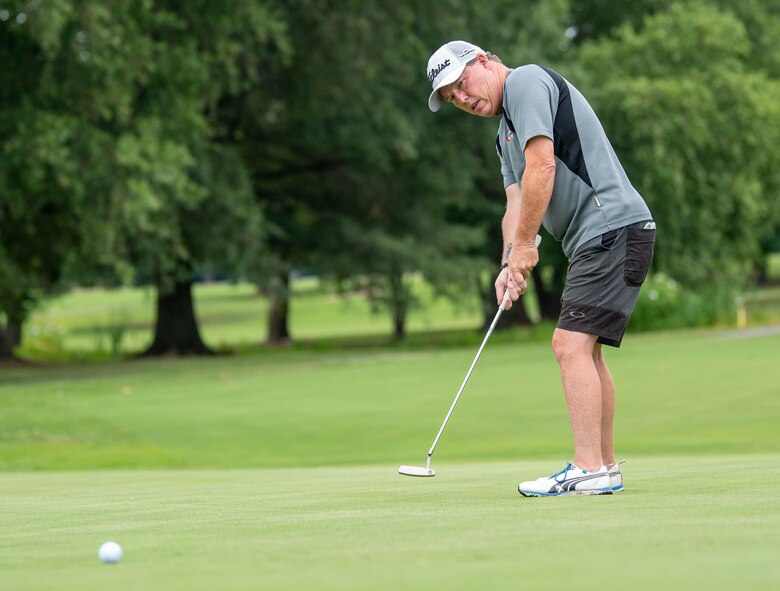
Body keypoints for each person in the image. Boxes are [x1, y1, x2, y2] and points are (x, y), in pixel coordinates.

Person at [426, 41, 655, 496]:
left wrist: (529, 245)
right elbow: (514, 202)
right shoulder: (503, 133)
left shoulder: (526, 82)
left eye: (462, 84)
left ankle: (587, 467)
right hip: (607, 235)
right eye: (452, 98)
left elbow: (542, 166)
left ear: (484, 61)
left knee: (568, 345)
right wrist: (510, 261)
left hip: (610, 226)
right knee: (585, 350)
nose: (463, 99)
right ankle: (604, 468)